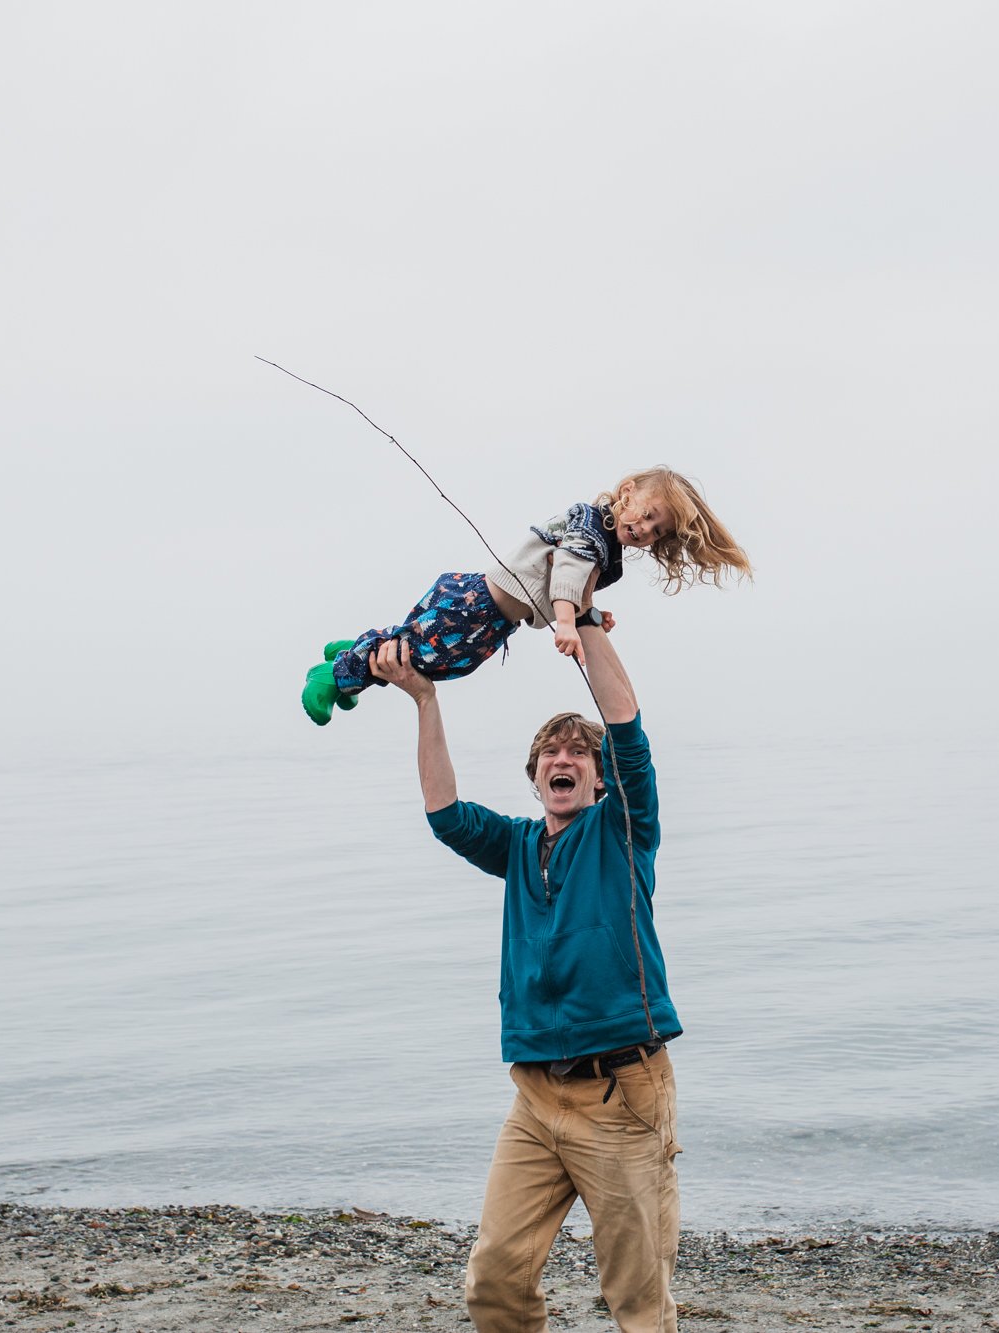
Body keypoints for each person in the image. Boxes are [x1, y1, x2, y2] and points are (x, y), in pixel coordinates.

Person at [368, 620, 684, 1333]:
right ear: (536, 773)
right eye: (550, 751)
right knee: (495, 1279)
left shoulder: (622, 828)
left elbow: (627, 727)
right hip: (535, 1098)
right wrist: (424, 700)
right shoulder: (515, 845)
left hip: (623, 1094)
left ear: (599, 779)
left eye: (577, 751)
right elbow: (446, 816)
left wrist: (591, 633)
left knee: (638, 1300)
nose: (562, 758)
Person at [303, 466, 749, 724]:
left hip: (493, 619)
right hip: (475, 605)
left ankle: (356, 654)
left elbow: (576, 583)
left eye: (658, 531)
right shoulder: (592, 527)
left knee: (437, 660)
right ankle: (334, 676)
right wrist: (570, 623)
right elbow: (568, 572)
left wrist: (593, 612)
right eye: (648, 515)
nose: (646, 529)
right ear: (627, 492)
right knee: (420, 656)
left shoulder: (605, 544)